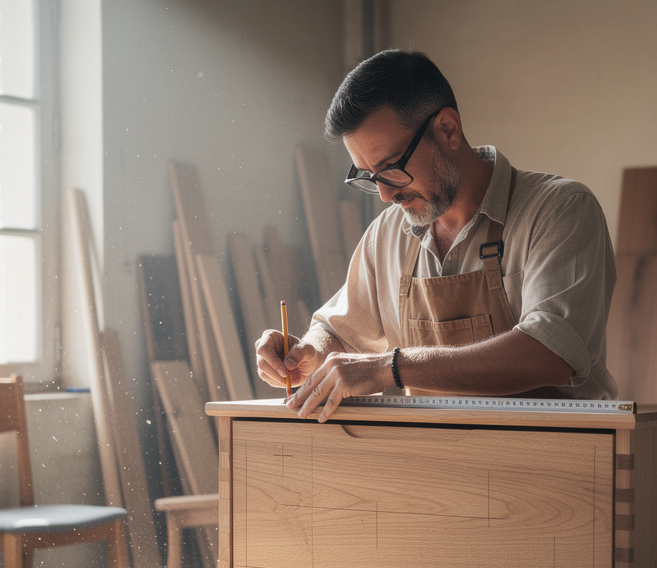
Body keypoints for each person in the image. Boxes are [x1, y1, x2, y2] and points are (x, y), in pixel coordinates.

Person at [256, 49, 616, 421]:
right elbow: (342, 331)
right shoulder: (387, 234)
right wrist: (309, 353)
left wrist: (392, 367)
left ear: (448, 130)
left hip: (549, 452)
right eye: (370, 176)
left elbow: (550, 353)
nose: (385, 194)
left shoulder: (560, 210)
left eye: (391, 167)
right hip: (429, 454)